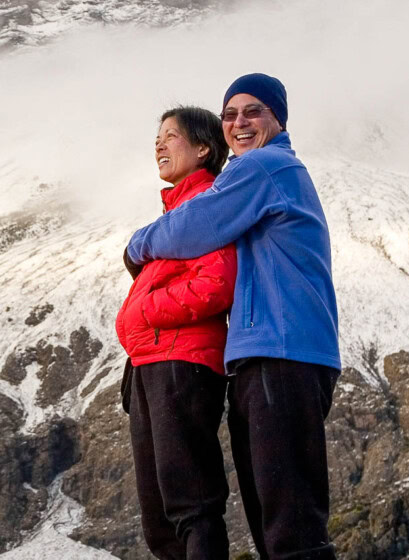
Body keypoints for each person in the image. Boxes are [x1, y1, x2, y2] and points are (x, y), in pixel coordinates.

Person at [126, 73, 342, 560]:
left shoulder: (264, 166)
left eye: (253, 111)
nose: (239, 122)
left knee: (290, 524)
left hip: (281, 353)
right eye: (230, 114)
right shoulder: (263, 173)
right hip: (264, 356)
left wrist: (136, 246)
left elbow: (195, 225)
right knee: (275, 520)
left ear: (278, 119)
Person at [116, 105, 237, 560]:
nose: (159, 144)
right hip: (151, 364)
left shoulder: (208, 206)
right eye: (157, 137)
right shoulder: (176, 214)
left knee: (190, 504)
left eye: (172, 136)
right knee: (159, 518)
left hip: (182, 365)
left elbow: (216, 283)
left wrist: (145, 309)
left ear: (204, 148)